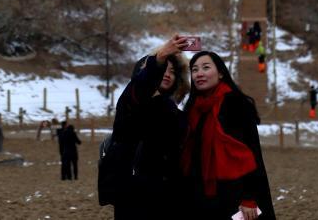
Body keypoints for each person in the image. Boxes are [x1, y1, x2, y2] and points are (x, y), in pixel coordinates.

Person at [182, 51, 274, 220]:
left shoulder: (236, 104)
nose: (199, 73)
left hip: (233, 194)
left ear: (221, 73)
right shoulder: (193, 109)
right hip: (200, 195)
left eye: (206, 67)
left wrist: (249, 197)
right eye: (194, 70)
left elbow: (251, 153)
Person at [105, 35, 189, 219]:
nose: (167, 74)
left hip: (168, 196)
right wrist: (159, 59)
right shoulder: (131, 100)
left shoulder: (175, 112)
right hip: (134, 194)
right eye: (163, 69)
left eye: (173, 71)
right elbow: (142, 86)